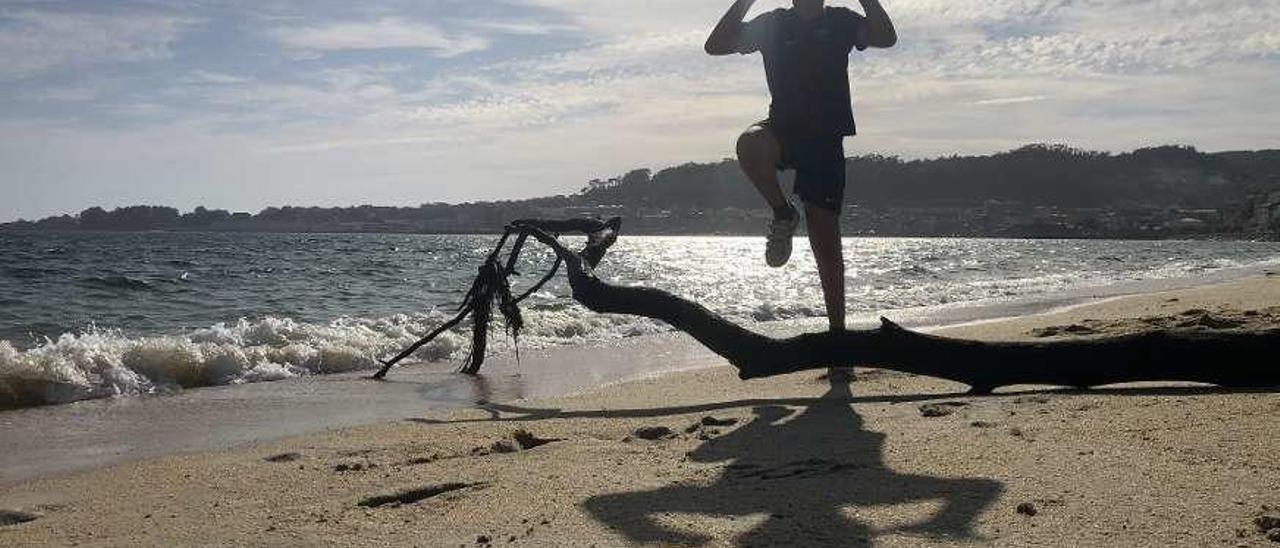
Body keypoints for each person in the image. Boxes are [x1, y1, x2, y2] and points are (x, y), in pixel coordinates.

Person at [705, 0, 896, 338]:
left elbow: (885, 37)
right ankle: (783, 214)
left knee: (825, 241)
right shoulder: (773, 24)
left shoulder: (840, 21)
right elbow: (715, 45)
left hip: (824, 138)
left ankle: (837, 338)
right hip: (782, 129)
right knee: (749, 144)